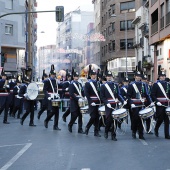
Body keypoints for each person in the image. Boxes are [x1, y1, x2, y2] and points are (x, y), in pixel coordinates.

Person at [127, 71, 154, 140]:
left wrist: (151, 102)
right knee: (135, 119)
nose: (138, 77)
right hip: (134, 104)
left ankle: (141, 134)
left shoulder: (143, 85)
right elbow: (128, 96)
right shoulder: (131, 85)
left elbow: (147, 95)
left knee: (142, 119)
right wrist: (131, 103)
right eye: (137, 76)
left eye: (139, 76)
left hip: (142, 104)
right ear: (135, 77)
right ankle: (134, 131)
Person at [100, 70, 126, 141]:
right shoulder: (103, 86)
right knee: (108, 120)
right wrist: (106, 102)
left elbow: (118, 94)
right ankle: (106, 131)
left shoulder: (115, 85)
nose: (109, 77)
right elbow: (102, 96)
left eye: (110, 76)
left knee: (115, 120)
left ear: (112, 77)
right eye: (108, 76)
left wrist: (123, 101)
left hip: (115, 104)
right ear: (106, 77)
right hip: (108, 105)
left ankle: (113, 135)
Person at [151, 71, 170, 139]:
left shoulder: (168, 84)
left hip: (166, 103)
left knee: (167, 119)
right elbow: (152, 94)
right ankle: (156, 128)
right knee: (160, 119)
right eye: (161, 76)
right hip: (159, 104)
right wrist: (156, 101)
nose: (163, 77)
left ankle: (167, 135)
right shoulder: (156, 84)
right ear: (159, 77)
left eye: (164, 76)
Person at [44, 65, 61, 130]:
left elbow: (57, 88)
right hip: (50, 97)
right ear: (50, 74)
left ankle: (55, 126)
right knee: (53, 111)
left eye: (54, 74)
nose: (54, 75)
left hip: (56, 97)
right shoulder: (47, 81)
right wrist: (48, 96)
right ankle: (46, 120)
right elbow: (44, 90)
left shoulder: (55, 81)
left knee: (57, 112)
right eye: (53, 74)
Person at [84, 70, 101, 137]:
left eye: (95, 75)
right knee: (93, 116)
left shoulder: (98, 83)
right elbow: (86, 93)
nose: (94, 76)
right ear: (90, 75)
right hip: (92, 102)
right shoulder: (87, 83)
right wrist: (90, 102)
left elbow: (100, 92)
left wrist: (101, 101)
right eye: (93, 75)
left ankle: (96, 132)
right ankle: (87, 127)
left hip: (97, 102)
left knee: (97, 117)